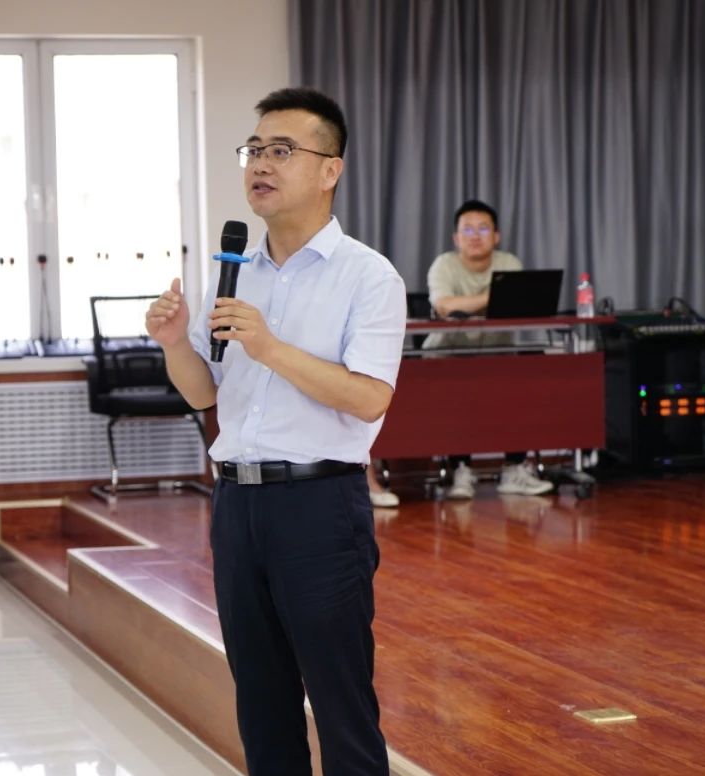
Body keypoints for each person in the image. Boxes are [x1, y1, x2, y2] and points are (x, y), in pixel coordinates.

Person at [145, 87, 405, 775]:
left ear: (329, 170)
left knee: (341, 705)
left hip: (319, 507)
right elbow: (205, 391)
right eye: (254, 149)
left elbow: (369, 398)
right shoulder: (234, 272)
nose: (260, 163)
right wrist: (174, 344)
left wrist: (270, 347)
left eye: (282, 150)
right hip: (237, 505)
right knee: (261, 705)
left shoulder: (368, 277)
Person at [423, 200, 554, 499]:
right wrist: (492, 296)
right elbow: (444, 306)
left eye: (483, 229)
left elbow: (517, 304)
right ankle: (460, 471)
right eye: (467, 230)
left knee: (521, 393)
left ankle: (514, 469)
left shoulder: (509, 263)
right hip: (446, 357)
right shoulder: (444, 265)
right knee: (458, 399)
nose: (475, 236)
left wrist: (469, 303)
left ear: (496, 236)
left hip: (498, 356)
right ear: (456, 238)